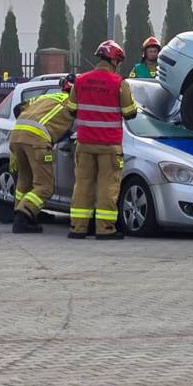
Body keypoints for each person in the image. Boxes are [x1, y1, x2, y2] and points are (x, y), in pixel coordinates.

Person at [67, 40, 138, 240]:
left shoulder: (80, 81)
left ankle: (78, 228)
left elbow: (71, 110)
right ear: (115, 60)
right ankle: (105, 229)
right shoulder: (118, 83)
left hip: (85, 142)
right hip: (109, 145)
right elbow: (129, 113)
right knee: (108, 185)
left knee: (82, 184)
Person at [9, 74, 76, 234]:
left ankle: (22, 212)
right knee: (45, 186)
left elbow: (18, 108)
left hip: (17, 136)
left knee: (25, 180)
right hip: (37, 141)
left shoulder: (47, 97)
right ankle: (23, 216)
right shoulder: (73, 105)